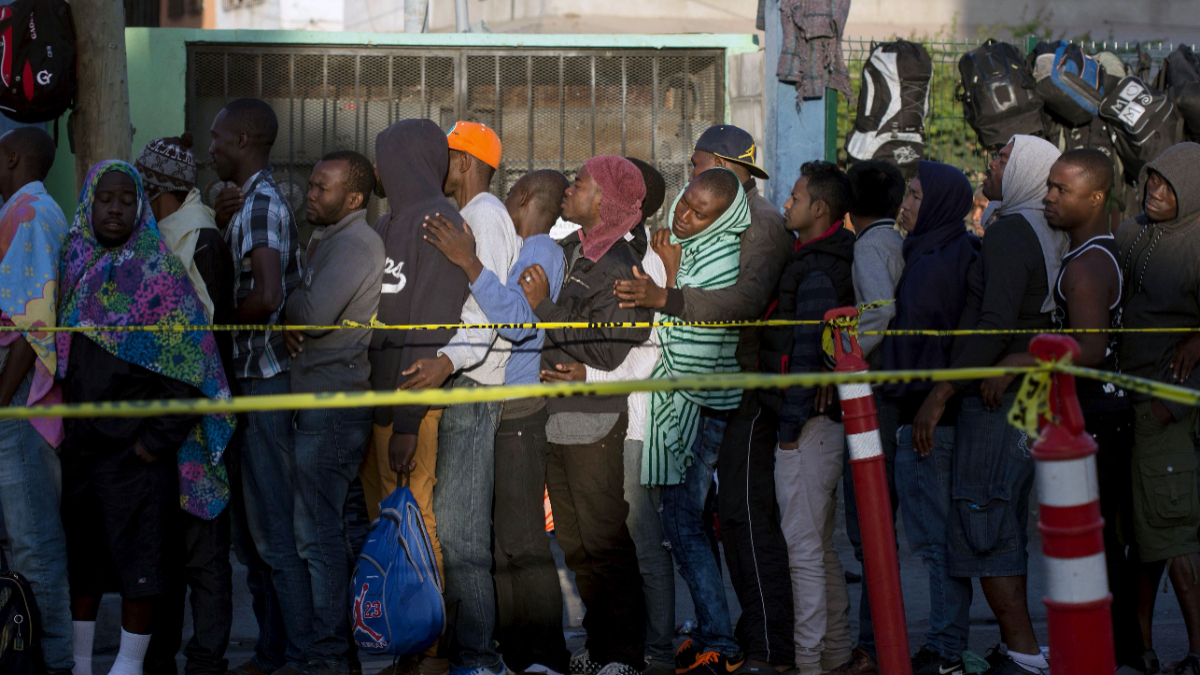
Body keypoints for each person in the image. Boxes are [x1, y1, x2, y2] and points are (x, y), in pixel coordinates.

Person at [612, 126, 792, 675]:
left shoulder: (757, 223)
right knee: (691, 517)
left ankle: (741, 640)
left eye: (694, 168)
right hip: (697, 386)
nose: (687, 190)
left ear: (715, 163)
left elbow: (741, 301)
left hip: (723, 386)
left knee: (711, 517)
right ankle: (721, 630)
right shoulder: (708, 218)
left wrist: (664, 293)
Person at [58, 161, 236, 675]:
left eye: (127, 200)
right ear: (89, 204)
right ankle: (80, 665)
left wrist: (154, 442)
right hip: (82, 446)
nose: (115, 209)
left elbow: (187, 364)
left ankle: (128, 667)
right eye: (105, 199)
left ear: (141, 208)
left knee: (143, 565)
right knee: (84, 566)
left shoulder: (159, 273)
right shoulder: (74, 260)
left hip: (137, 454)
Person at [914, 135, 1064, 675]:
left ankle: (1022, 653)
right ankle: (1021, 647)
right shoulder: (1037, 228)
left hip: (996, 398)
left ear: (1025, 170)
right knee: (1000, 513)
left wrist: (941, 391)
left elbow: (994, 324)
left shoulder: (1011, 234)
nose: (991, 164)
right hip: (1024, 395)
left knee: (984, 514)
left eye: (1003, 158)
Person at [423, 168, 572, 675]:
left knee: (524, 541)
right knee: (503, 539)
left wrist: (469, 262)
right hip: (508, 408)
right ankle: (517, 651)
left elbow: (518, 324)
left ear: (523, 198)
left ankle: (546, 656)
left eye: (508, 198)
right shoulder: (531, 250)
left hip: (519, 412)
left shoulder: (539, 252)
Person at [539, 157, 675, 675]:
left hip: (594, 420)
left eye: (579, 183)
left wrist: (545, 310)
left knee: (607, 542)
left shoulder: (623, 266)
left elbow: (607, 353)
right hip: (558, 416)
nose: (568, 189)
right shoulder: (573, 250)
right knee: (575, 543)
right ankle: (599, 649)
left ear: (605, 202)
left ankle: (625, 656)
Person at [394, 122, 519, 675]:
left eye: (446, 155)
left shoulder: (483, 216)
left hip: (474, 387)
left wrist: (447, 360)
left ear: (465, 162)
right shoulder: (469, 215)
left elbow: (487, 311)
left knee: (463, 533)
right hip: (462, 384)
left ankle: (479, 658)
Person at [209, 96, 310, 675]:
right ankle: (273, 652)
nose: (213, 147)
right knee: (254, 539)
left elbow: (268, 296)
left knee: (275, 534)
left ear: (244, 141)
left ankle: (295, 657)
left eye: (220, 137)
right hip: (248, 382)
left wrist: (220, 329)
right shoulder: (242, 206)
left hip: (267, 383)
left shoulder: (263, 204)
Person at [636, 168, 749, 675]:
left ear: (722, 217)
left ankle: (721, 645)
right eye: (684, 203)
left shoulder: (722, 254)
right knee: (687, 524)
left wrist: (672, 275)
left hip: (700, 404)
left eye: (698, 213)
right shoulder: (689, 243)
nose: (683, 216)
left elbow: (696, 340)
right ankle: (707, 631)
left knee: (682, 525)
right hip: (685, 402)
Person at [135, 133, 239, 675]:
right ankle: (161, 658)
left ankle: (205, 659)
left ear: (158, 194)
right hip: (167, 419)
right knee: (167, 554)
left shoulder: (200, 241)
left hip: (198, 420)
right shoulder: (164, 238)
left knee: (203, 555)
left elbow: (206, 342)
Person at [281, 150, 384, 675]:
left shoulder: (355, 243)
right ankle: (350, 646)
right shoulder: (330, 239)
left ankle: (329, 655)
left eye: (322, 188)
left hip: (333, 409)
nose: (310, 195)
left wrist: (288, 302)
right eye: (312, 184)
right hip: (322, 404)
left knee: (316, 536)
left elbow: (312, 315)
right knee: (332, 531)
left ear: (355, 198)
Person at [877, 161, 980, 675]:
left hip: (926, 417)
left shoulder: (937, 263)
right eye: (908, 194)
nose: (907, 204)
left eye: (916, 196)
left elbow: (923, 343)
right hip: (927, 409)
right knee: (938, 537)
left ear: (938, 203)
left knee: (934, 540)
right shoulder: (940, 250)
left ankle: (944, 647)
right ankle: (947, 643)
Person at [757, 161, 855, 675]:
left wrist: (791, 431)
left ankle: (810, 660)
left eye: (795, 198)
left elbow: (807, 356)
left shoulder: (817, 269)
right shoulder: (821, 258)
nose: (786, 204)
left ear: (820, 209)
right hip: (819, 427)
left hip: (809, 430)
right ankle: (835, 651)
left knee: (803, 551)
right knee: (817, 544)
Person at [365, 118, 471, 589]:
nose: (375, 169)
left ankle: (427, 650)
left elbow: (431, 325)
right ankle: (400, 636)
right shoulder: (388, 220)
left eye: (382, 158)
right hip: (376, 403)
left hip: (411, 409)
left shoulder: (439, 221)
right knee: (385, 524)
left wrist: (407, 423)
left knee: (415, 523)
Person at [1116, 141, 1200, 675]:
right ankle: (1141, 651)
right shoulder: (1133, 231)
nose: (1155, 190)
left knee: (1172, 533)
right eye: (1152, 180)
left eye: (1169, 184)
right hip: (1126, 404)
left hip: (1165, 407)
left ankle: (1196, 654)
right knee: (1140, 537)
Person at [0, 126, 72, 675]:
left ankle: (53, 660)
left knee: (33, 539)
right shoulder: (27, 210)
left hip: (15, 393)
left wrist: (3, 398)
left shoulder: (30, 215)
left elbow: (32, 321)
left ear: (12, 157)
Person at [838, 159, 906, 674]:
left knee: (870, 520)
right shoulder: (894, 239)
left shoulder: (867, 246)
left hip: (870, 398)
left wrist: (849, 360)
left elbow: (878, 309)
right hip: (885, 393)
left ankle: (875, 643)